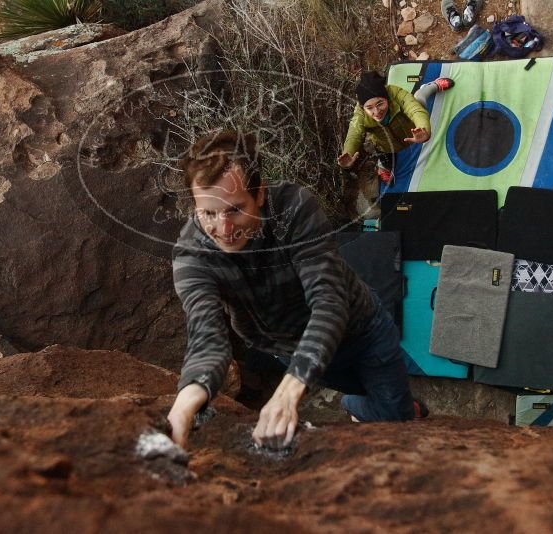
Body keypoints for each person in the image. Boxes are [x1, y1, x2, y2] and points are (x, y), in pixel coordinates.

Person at [167, 130, 424, 450]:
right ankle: (365, 402)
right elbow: (207, 338)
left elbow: (329, 301)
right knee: (378, 397)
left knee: (396, 420)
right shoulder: (193, 254)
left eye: (234, 209)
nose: (224, 229)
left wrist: (290, 390)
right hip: (296, 349)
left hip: (361, 332)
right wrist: (183, 406)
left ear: (259, 193)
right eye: (208, 213)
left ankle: (382, 405)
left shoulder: (293, 208)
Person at [337, 71, 454, 206]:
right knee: (386, 160)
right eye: (369, 108)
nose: (376, 112)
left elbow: (415, 110)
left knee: (419, 100)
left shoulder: (395, 93)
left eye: (380, 103)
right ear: (364, 107)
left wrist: (424, 129)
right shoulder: (360, 114)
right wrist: (348, 152)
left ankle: (431, 86)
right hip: (386, 145)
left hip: (411, 129)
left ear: (386, 97)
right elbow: (354, 133)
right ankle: (384, 169)